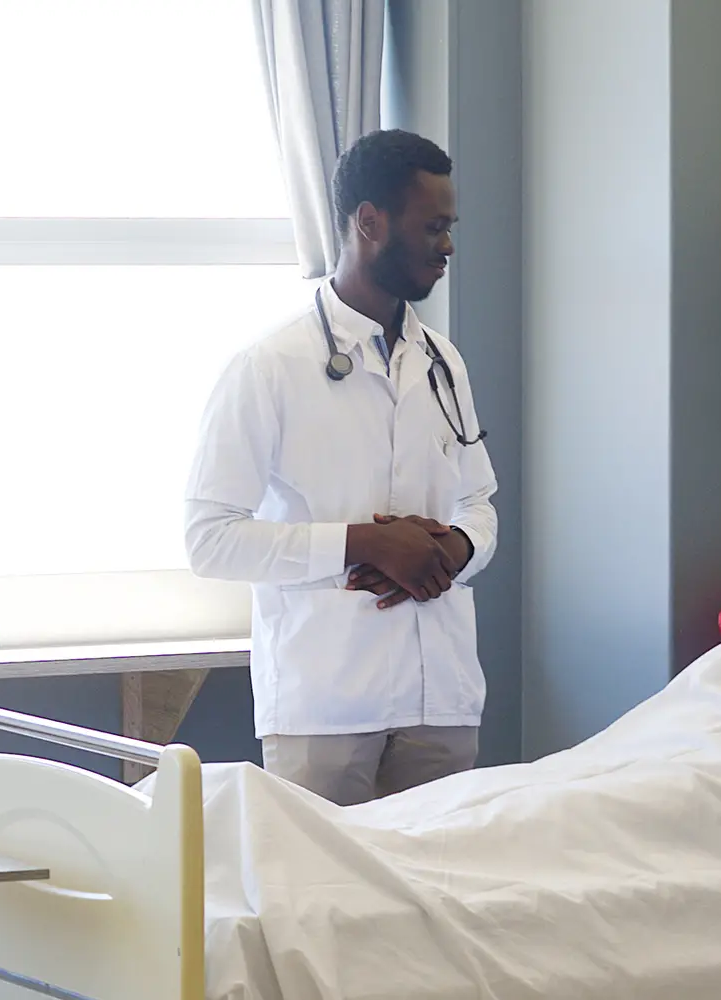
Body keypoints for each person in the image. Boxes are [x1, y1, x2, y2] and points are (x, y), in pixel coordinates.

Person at [183, 129, 498, 808]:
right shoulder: (268, 368)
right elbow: (209, 539)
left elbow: (480, 504)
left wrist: (454, 548)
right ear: (370, 222)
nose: (447, 245)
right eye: (432, 227)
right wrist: (365, 543)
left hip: (439, 696)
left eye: (450, 227)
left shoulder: (443, 363)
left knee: (441, 902)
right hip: (324, 705)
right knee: (322, 905)